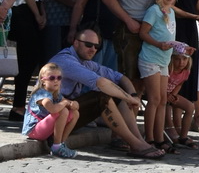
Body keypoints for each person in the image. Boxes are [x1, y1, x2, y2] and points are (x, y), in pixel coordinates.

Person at [51, 30, 163, 158]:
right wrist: (128, 98)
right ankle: (135, 143)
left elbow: (120, 77)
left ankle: (139, 142)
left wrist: (133, 95)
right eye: (88, 45)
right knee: (102, 96)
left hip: (67, 113)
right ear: (75, 43)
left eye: (97, 46)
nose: (93, 49)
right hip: (50, 117)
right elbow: (101, 83)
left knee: (116, 92)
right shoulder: (66, 61)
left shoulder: (86, 62)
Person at [7, 0, 48, 123]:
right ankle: (18, 106)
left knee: (33, 59)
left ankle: (28, 104)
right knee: (26, 59)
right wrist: (37, 14)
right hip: (23, 10)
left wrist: (42, 12)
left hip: (35, 7)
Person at [138, 0, 183, 151]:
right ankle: (149, 138)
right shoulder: (154, 11)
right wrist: (159, 44)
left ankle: (159, 137)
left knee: (163, 99)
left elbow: (170, 36)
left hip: (164, 59)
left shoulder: (171, 12)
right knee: (155, 99)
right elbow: (143, 33)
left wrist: (180, 48)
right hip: (151, 58)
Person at [22, 61, 81, 157]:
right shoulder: (41, 94)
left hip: (44, 128)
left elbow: (72, 104)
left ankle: (61, 143)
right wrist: (65, 103)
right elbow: (53, 109)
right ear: (43, 80)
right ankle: (56, 147)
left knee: (75, 113)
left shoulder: (56, 94)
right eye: (52, 78)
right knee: (63, 110)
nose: (56, 81)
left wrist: (74, 104)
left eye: (59, 78)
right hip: (33, 130)